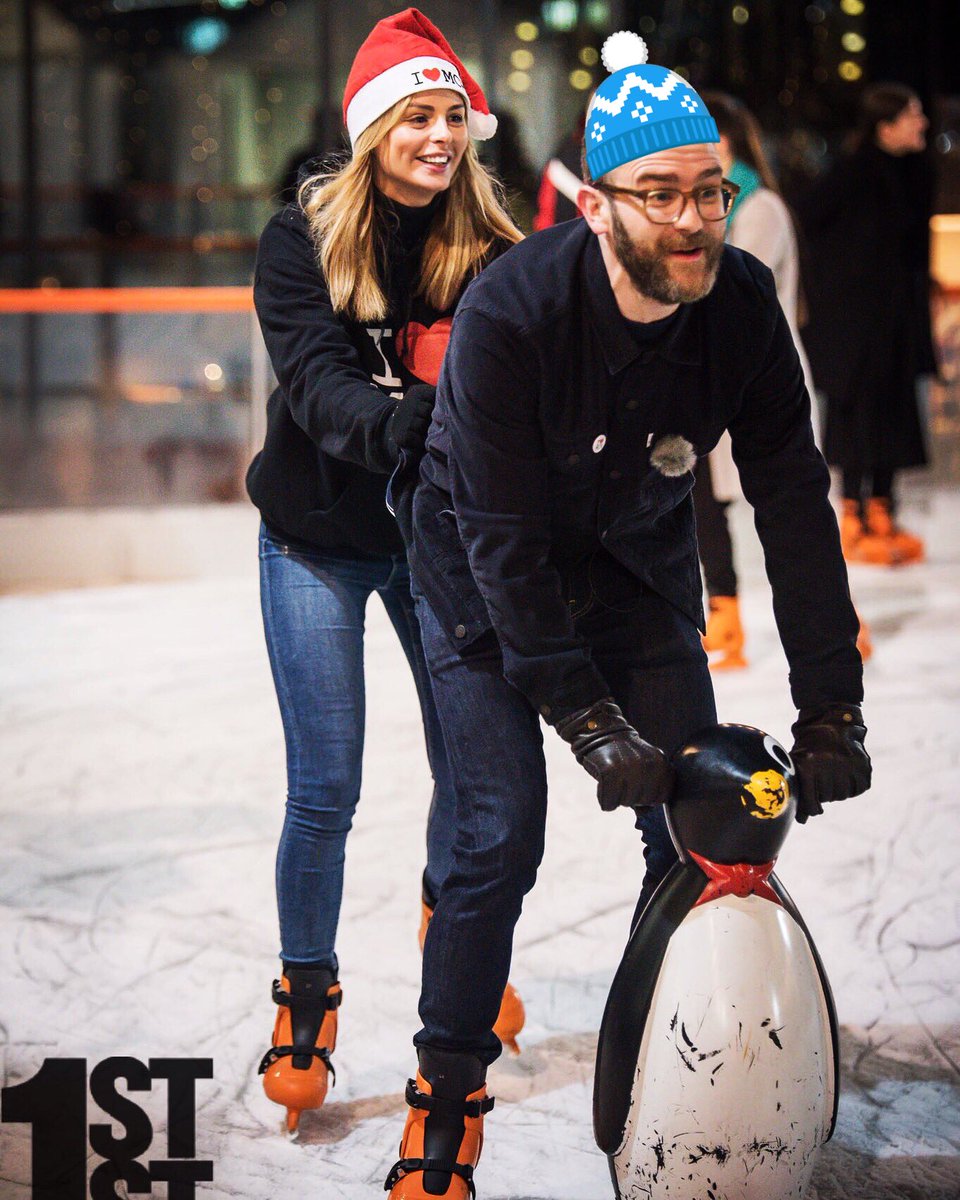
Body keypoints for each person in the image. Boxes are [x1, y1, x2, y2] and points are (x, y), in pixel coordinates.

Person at [384, 32, 871, 1199]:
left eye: (713, 189)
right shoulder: (514, 315)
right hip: (477, 571)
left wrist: (832, 704)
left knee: (694, 832)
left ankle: (687, 1085)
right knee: (500, 830)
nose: (695, 218)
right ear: (598, 206)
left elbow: (793, 501)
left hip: (637, 569)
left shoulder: (739, 306)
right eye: (661, 195)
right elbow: (500, 543)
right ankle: (444, 1093)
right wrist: (586, 714)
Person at [246, 7, 523, 1137]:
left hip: (435, 540)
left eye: (454, 113)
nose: (440, 134)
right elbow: (317, 387)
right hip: (314, 538)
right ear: (375, 131)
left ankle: (444, 923)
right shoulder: (299, 240)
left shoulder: (493, 252)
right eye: (418, 114)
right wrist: (421, 423)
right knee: (328, 788)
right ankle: (305, 994)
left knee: (473, 768)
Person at [799, 83, 934, 566]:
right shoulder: (852, 173)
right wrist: (837, 297)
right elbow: (810, 223)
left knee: (895, 411)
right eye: (913, 114)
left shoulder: (911, 173)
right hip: (857, 329)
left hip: (895, 323)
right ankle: (852, 512)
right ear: (886, 125)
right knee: (859, 413)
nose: (922, 123)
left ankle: (883, 509)